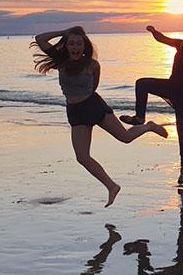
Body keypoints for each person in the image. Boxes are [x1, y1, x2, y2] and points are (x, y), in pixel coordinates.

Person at [33, 26, 167, 207]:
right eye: (71, 43)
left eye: (79, 43)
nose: (75, 47)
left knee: (125, 138)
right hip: (75, 111)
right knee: (82, 157)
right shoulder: (61, 61)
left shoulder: (92, 65)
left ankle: (149, 126)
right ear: (66, 45)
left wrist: (86, 100)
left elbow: (93, 87)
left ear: (84, 45)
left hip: (93, 106)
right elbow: (40, 37)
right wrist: (64, 32)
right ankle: (111, 186)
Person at [120, 23, 183, 185]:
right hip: (171, 87)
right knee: (142, 83)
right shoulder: (181, 44)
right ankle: (139, 118)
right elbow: (163, 39)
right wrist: (154, 32)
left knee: (182, 129)